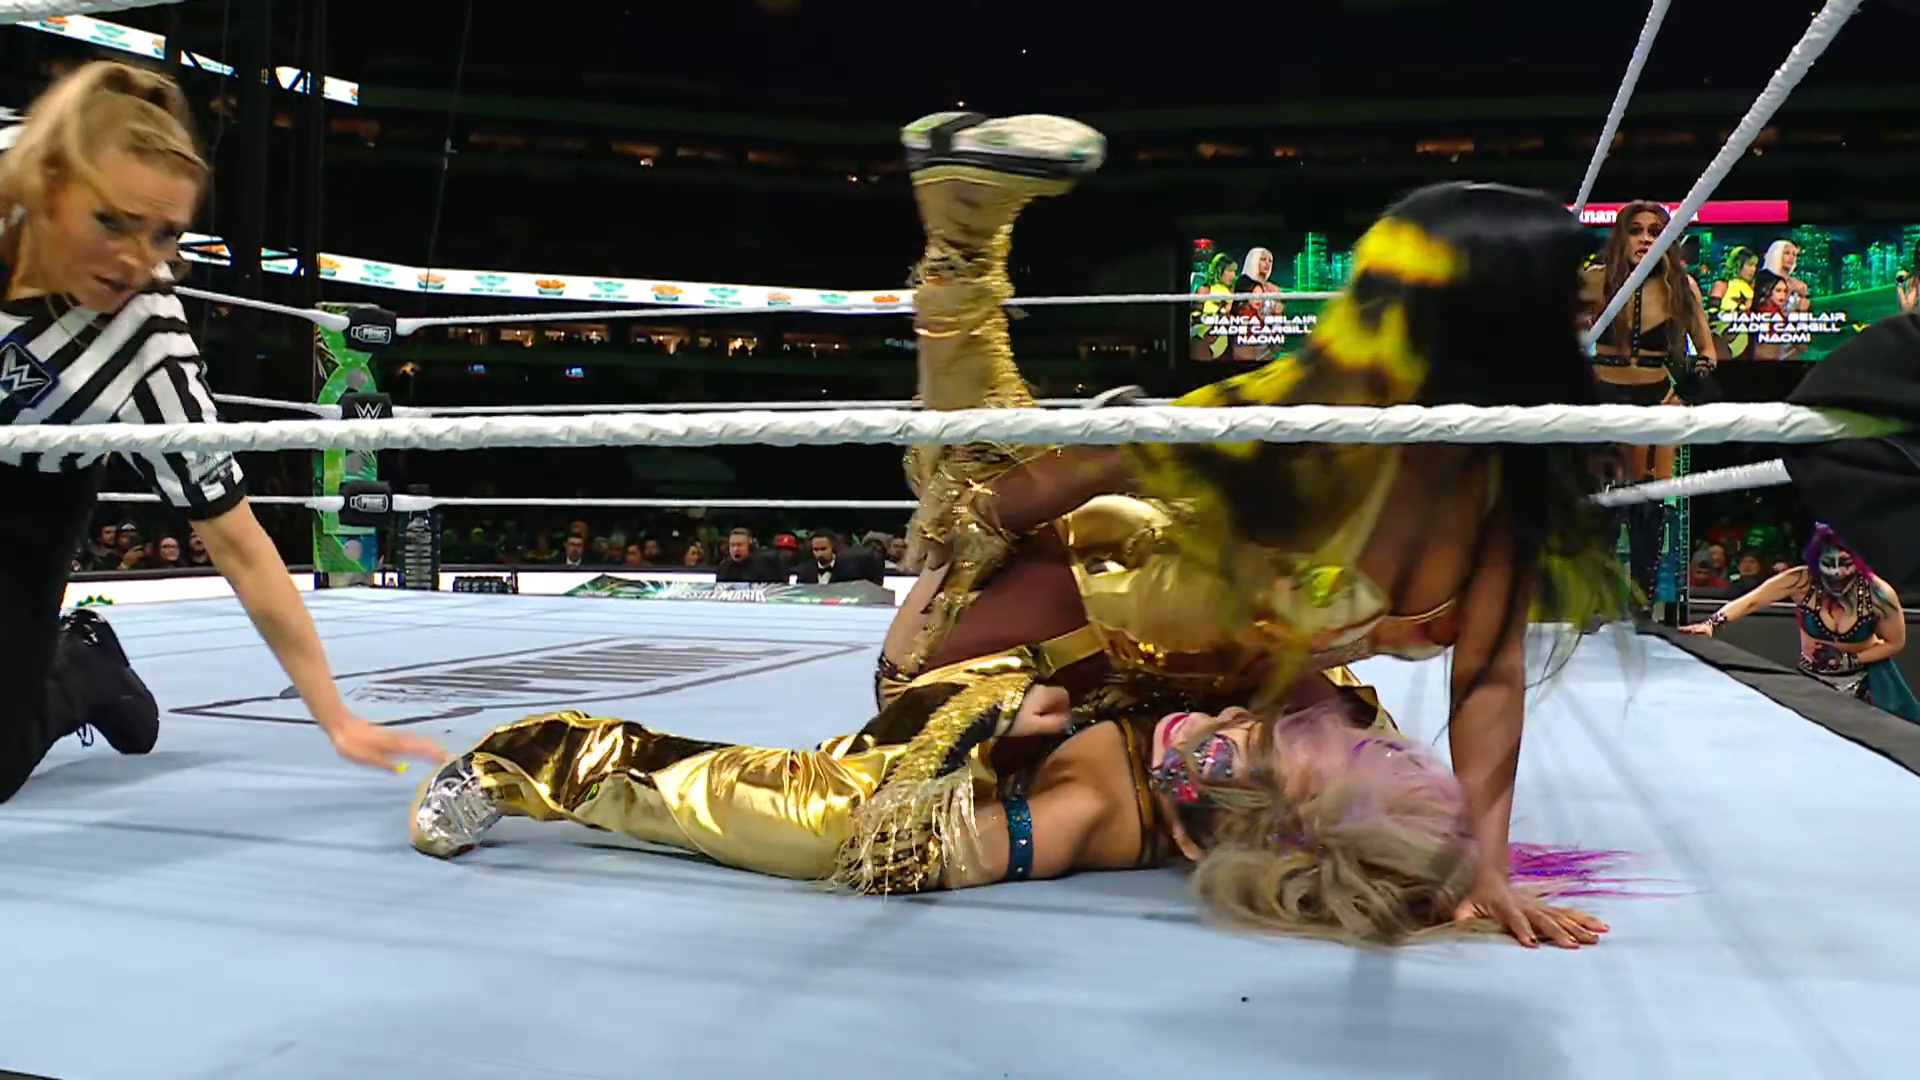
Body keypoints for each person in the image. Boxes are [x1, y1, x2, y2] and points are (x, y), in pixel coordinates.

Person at [414, 113, 1621, 948]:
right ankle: (550, 758)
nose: (1588, 324)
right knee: (871, 822)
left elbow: (1488, 676)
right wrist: (957, 545)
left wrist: (1486, 867)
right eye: (1567, 305)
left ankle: (962, 239)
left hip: (1190, 687)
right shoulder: (1305, 420)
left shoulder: (1499, 491)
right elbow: (1061, 478)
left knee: (1358, 799)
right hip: (1038, 630)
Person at [0, 60, 441, 803]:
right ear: (51, 185)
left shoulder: (148, 351)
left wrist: (334, 716)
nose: (138, 260)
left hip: (34, 493)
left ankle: (85, 664)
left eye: (165, 234)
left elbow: (237, 540)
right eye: (111, 221)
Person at [1684, 527, 1917, 721]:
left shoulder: (1878, 594)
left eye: (1845, 563)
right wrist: (1712, 624)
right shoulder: (1802, 581)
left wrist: (1850, 659)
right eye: (1829, 563)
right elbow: (1751, 600)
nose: (1837, 572)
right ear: (1817, 561)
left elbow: (1895, 642)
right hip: (1813, 679)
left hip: (1865, 684)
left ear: (1857, 561)